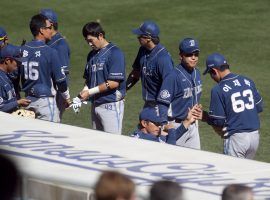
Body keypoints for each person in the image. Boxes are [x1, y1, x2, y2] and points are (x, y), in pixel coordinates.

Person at [202, 53, 263, 159]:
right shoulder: (247, 81)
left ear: (214, 71)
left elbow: (218, 121)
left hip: (237, 140)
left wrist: (205, 117)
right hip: (254, 137)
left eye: (211, 74)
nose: (212, 77)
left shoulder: (218, 89)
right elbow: (259, 107)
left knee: (232, 172)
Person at [72, 22, 126, 134]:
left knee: (113, 142)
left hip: (111, 105)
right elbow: (89, 80)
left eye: (91, 40)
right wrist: (82, 94)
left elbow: (114, 83)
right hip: (95, 105)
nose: (89, 44)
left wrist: (89, 92)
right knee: (98, 142)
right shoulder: (91, 55)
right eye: (87, 41)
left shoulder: (115, 52)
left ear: (100, 35)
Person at [19, 14, 71, 122]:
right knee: (51, 137)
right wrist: (67, 97)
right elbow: (61, 80)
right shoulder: (51, 52)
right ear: (42, 30)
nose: (51, 30)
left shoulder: (22, 50)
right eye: (49, 28)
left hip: (27, 102)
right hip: (45, 104)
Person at [157, 38, 202, 149]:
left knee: (196, 160)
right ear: (181, 56)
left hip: (193, 125)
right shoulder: (172, 76)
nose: (193, 57)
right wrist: (164, 125)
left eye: (196, 54)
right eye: (189, 54)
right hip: (176, 125)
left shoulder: (197, 73)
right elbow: (162, 103)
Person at [126, 20, 174, 114]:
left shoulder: (163, 58)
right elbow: (136, 73)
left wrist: (163, 109)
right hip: (148, 103)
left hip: (161, 105)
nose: (137, 37)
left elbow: (170, 84)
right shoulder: (142, 50)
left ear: (148, 38)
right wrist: (124, 89)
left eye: (140, 35)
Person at [40, 9, 71, 120]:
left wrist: (65, 98)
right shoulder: (44, 41)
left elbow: (63, 75)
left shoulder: (60, 45)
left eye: (41, 20)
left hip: (55, 97)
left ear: (50, 24)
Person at [131, 105, 200, 145]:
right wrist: (171, 130)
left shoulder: (149, 135)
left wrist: (188, 121)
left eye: (160, 124)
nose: (159, 126)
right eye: (156, 123)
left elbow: (171, 137)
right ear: (144, 123)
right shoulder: (142, 141)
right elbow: (170, 150)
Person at [0, 44, 31, 113]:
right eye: (17, 61)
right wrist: (18, 102)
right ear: (7, 60)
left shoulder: (6, 76)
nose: (19, 63)